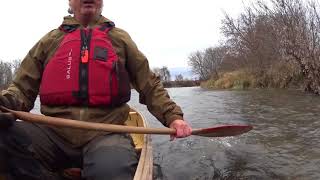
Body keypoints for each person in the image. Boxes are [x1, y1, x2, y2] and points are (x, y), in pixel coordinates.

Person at [0, 0, 192, 180]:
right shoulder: (49, 41)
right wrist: (5, 104)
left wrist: (173, 117)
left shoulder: (120, 39)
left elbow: (149, 84)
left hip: (106, 133)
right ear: (69, 1)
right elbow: (20, 88)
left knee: (110, 169)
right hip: (54, 134)